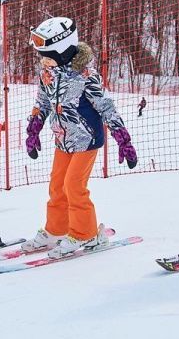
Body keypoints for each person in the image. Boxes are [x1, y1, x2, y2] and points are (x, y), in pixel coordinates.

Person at [19, 17, 137, 259]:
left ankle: (87, 234)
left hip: (86, 139)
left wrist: (122, 138)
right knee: (57, 185)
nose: (43, 59)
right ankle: (56, 230)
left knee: (74, 185)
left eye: (47, 54)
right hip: (63, 139)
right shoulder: (47, 73)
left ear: (63, 51)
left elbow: (106, 107)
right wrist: (34, 128)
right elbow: (42, 102)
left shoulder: (85, 75)